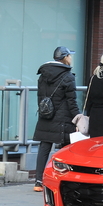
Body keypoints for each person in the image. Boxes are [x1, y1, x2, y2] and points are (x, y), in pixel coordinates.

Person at [33, 46, 81, 192]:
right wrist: (78, 119)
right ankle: (65, 181)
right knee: (67, 149)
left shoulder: (43, 75)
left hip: (46, 116)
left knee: (44, 147)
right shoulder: (68, 76)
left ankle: (38, 181)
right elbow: (72, 102)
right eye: (70, 56)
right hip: (63, 119)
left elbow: (40, 97)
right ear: (65, 57)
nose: (71, 58)